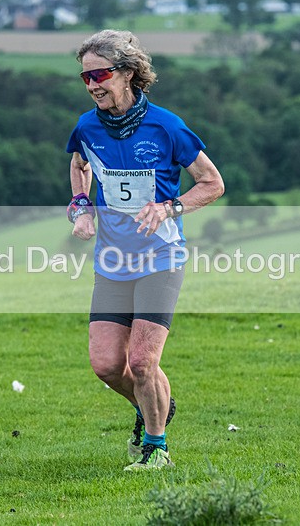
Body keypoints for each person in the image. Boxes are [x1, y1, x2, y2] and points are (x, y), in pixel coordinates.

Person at [66, 29, 224, 471]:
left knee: (141, 361)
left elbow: (213, 183)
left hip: (160, 258)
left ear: (129, 73)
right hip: (113, 260)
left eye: (100, 74)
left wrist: (170, 207)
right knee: (105, 365)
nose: (93, 84)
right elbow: (79, 164)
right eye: (85, 78)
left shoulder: (167, 126)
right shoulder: (86, 126)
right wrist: (81, 206)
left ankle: (157, 447)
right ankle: (153, 406)